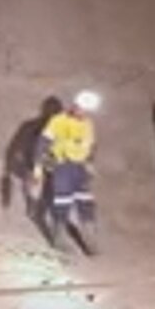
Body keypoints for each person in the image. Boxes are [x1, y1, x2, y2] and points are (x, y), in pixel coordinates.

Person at [33, 90, 101, 255]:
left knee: (86, 203)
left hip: (80, 168)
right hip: (62, 166)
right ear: (75, 106)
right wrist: (38, 168)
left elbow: (90, 145)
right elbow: (42, 143)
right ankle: (59, 240)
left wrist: (90, 163)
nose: (83, 114)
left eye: (87, 111)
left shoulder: (88, 124)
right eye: (81, 110)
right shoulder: (58, 121)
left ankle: (90, 243)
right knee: (62, 203)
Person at [1, 96, 63, 235]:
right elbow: (16, 148)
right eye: (51, 109)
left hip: (55, 171)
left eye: (56, 110)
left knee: (54, 204)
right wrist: (13, 169)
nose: (53, 113)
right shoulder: (31, 126)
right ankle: (40, 225)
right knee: (36, 205)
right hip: (34, 169)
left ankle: (54, 234)